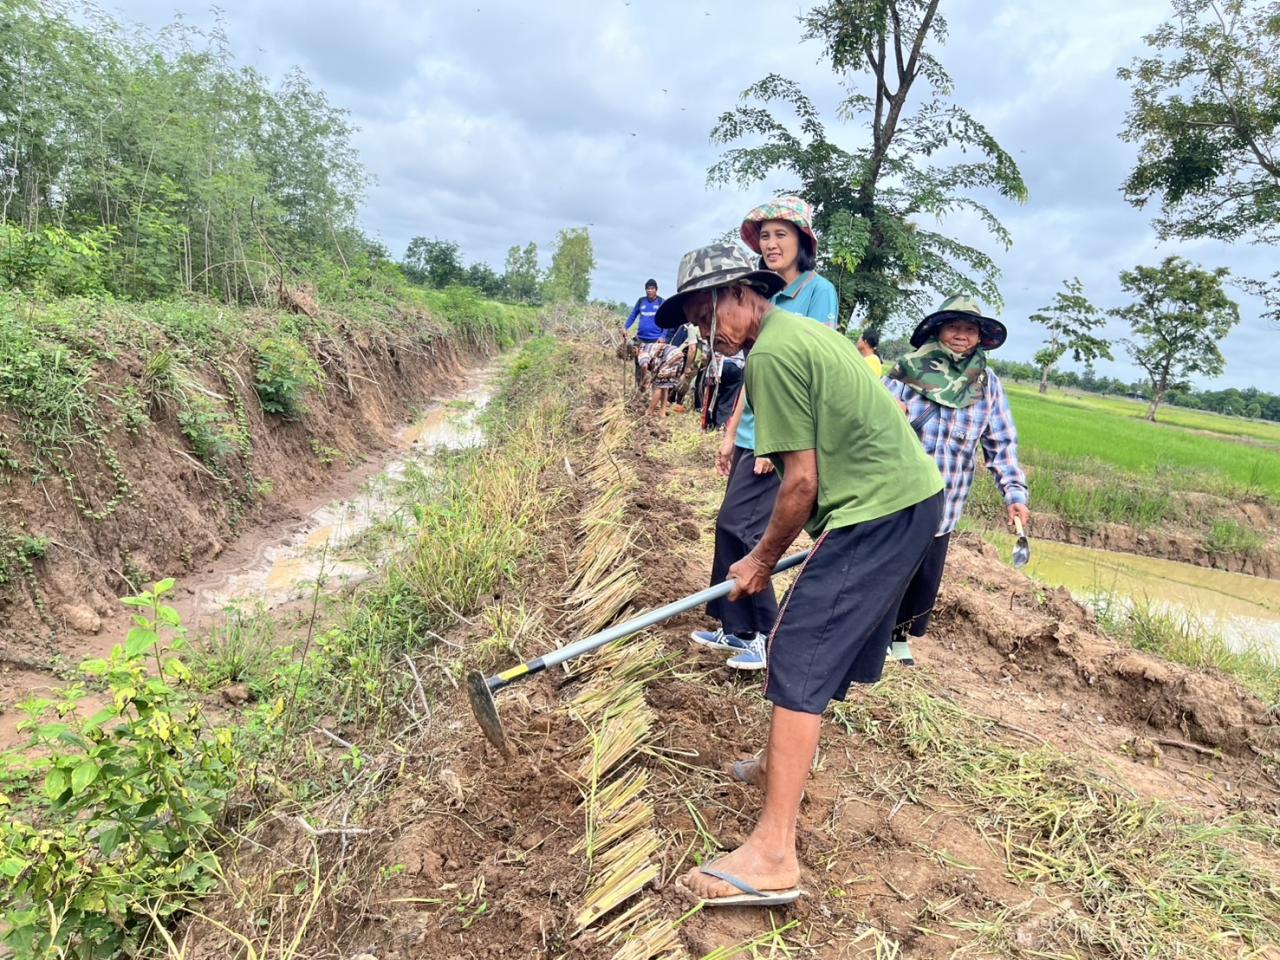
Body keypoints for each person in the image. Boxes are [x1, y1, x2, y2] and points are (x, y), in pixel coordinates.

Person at [655, 242, 943, 908]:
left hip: (879, 511)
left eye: (702, 317)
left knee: (799, 653)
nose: (703, 334)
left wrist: (760, 559)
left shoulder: (772, 356)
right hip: (896, 502)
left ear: (736, 293)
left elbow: (801, 483)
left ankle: (773, 854)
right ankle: (772, 766)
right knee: (810, 648)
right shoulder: (801, 332)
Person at [689, 197, 839, 671]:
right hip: (755, 431)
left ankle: (763, 634)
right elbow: (754, 373)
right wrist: (732, 432)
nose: (772, 244)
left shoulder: (816, 292)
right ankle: (733, 626)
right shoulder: (758, 294)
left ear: (803, 242)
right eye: (766, 236)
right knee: (727, 525)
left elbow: (808, 370)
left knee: (747, 530)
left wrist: (773, 446)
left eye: (782, 235)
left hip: (783, 432)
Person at [882, 296, 1030, 666]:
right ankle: (873, 635)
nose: (961, 335)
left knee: (922, 575)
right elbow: (869, 416)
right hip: (897, 492)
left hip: (946, 499)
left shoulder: (987, 385)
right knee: (886, 567)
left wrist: (1014, 493)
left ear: (980, 337)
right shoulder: (906, 371)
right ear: (938, 331)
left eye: (969, 329)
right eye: (953, 327)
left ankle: (899, 636)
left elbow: (1001, 443)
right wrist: (889, 412)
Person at [623, 280, 666, 391]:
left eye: (652, 289)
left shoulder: (661, 302)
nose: (649, 291)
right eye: (647, 289)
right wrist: (625, 328)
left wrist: (663, 336)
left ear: (656, 290)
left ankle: (653, 391)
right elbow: (633, 315)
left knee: (653, 366)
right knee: (639, 364)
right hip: (641, 339)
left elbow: (667, 321)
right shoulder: (641, 301)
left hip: (655, 341)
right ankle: (639, 390)